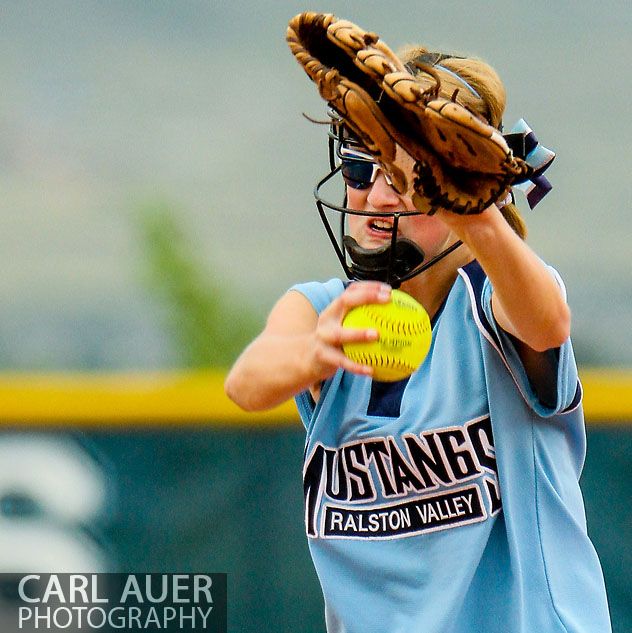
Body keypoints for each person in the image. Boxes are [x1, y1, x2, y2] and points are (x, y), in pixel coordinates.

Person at [225, 39, 611, 633]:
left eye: (407, 178)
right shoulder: (329, 309)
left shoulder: (495, 298)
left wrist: (473, 213)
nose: (376, 196)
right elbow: (247, 382)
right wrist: (310, 351)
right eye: (360, 168)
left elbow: (545, 323)